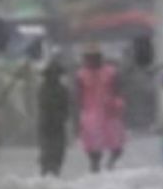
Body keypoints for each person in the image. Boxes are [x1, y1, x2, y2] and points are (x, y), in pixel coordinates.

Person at [75, 43, 125, 172]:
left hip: (110, 113)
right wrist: (77, 118)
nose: (91, 60)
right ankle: (95, 170)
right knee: (93, 150)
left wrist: (118, 105)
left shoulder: (111, 72)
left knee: (117, 147)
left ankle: (110, 166)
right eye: (88, 57)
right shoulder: (80, 75)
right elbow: (77, 96)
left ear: (100, 57)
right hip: (90, 115)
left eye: (94, 57)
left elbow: (119, 90)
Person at [38, 57, 70, 176]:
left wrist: (61, 118)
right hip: (46, 125)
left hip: (57, 126)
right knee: (46, 155)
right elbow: (43, 106)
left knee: (57, 155)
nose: (54, 76)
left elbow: (66, 108)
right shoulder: (43, 89)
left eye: (56, 73)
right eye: (52, 73)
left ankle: (54, 177)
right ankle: (46, 175)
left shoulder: (62, 90)